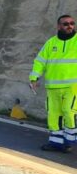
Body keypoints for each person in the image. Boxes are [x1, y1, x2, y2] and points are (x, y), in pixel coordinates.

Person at [30, 13, 77, 152]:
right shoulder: (51, 43)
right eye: (66, 24)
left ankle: (70, 140)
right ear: (58, 26)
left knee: (69, 111)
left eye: (72, 23)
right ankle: (57, 143)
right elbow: (40, 61)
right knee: (54, 115)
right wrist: (34, 78)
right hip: (53, 87)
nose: (70, 26)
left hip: (73, 86)